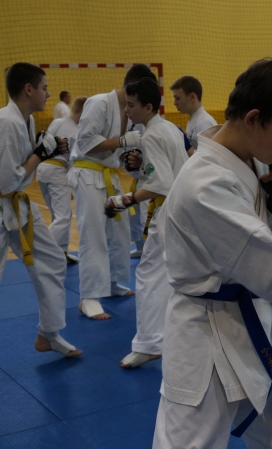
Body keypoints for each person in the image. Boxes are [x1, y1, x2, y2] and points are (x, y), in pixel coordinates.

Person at [152, 59, 272, 449]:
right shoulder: (204, 182)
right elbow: (264, 264)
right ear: (253, 119)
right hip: (207, 335)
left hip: (260, 324)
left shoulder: (250, 162)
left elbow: (267, 245)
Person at [0, 62, 82, 398]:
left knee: (52, 260)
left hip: (15, 205)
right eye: (44, 87)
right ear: (28, 89)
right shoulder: (4, 123)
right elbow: (9, 180)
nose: (48, 93)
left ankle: (49, 334)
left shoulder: (27, 119)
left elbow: (20, 168)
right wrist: (40, 153)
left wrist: (46, 148)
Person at [104, 77, 188, 368]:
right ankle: (169, 336)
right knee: (171, 277)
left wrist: (124, 200)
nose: (127, 110)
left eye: (131, 105)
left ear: (148, 106)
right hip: (182, 211)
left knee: (148, 275)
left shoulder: (151, 135)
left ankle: (149, 343)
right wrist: (141, 167)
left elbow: (160, 184)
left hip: (168, 212)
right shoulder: (169, 128)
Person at [68, 64, 155, 319]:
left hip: (109, 175)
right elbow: (85, 142)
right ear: (131, 86)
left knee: (119, 232)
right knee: (93, 233)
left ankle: (112, 282)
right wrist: (121, 141)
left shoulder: (131, 112)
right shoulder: (99, 104)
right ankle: (88, 297)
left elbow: (124, 151)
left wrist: (132, 158)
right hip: (88, 174)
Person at [37, 96, 87, 264]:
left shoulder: (57, 122)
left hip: (42, 169)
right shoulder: (76, 132)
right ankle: (41, 251)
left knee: (57, 215)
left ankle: (61, 253)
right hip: (57, 171)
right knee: (63, 217)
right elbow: (75, 161)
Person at [171, 75, 217, 154]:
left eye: (178, 98)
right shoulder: (194, 120)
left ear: (192, 97)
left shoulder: (204, 123)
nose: (175, 103)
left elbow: (210, 157)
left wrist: (187, 146)